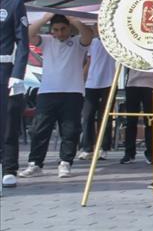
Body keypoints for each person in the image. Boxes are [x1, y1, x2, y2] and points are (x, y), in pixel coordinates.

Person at [18, 13, 95, 179]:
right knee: (40, 129)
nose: (59, 33)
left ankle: (65, 162)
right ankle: (35, 164)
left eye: (63, 29)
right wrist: (45, 19)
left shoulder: (77, 43)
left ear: (69, 29)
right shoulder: (46, 40)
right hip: (47, 91)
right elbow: (28, 35)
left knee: (70, 130)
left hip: (72, 92)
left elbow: (89, 35)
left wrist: (74, 20)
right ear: (51, 30)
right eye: (56, 30)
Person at [0, 0, 29, 188]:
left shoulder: (14, 3)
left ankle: (9, 167)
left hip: (5, 68)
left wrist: (17, 73)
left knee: (8, 117)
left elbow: (23, 42)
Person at [78, 36, 117, 161]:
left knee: (105, 116)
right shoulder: (91, 41)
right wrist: (81, 79)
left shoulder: (113, 40)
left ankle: (103, 148)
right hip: (91, 83)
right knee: (87, 115)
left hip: (109, 81)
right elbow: (89, 61)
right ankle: (87, 148)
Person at [119, 68, 153, 165]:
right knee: (131, 120)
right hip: (132, 83)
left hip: (151, 83)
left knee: (150, 121)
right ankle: (129, 153)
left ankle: (151, 153)